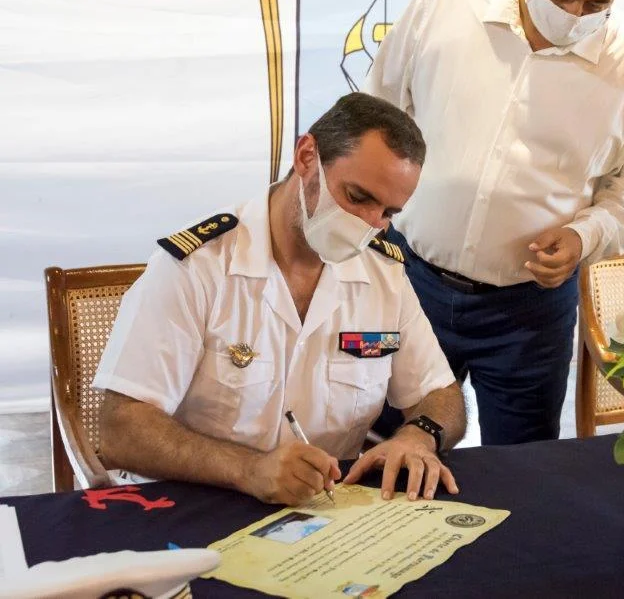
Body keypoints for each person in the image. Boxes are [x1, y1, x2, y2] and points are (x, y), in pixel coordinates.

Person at [363, 0, 624, 444]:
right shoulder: (447, 3)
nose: (575, 15)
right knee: (378, 443)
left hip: (528, 310)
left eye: (598, 5)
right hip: (407, 280)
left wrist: (584, 236)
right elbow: (378, 113)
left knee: (521, 466)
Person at [93, 93, 466, 506]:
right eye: (357, 197)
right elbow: (119, 429)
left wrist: (420, 436)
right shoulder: (198, 265)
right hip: (199, 505)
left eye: (388, 213)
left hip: (327, 514)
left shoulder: (383, 274)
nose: (369, 226)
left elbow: (441, 394)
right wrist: (248, 469)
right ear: (307, 157)